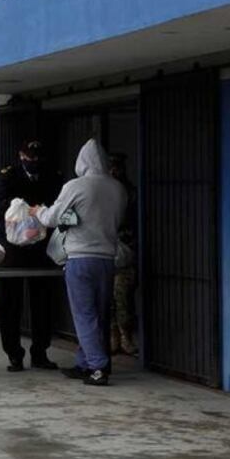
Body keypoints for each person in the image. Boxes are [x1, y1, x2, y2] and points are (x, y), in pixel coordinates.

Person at [35, 138, 127, 386]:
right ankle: (85, 362)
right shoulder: (117, 188)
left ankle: (97, 367)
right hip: (107, 259)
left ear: (81, 162)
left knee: (84, 315)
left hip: (80, 259)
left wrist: (38, 212)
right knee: (100, 312)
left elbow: (53, 218)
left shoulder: (76, 186)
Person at [0, 140, 64, 372]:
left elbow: (58, 207)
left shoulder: (52, 175)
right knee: (10, 303)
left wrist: (38, 214)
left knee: (43, 304)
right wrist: (18, 211)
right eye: (29, 158)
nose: (33, 163)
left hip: (42, 249)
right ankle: (14, 354)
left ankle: (40, 352)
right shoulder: (9, 176)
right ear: (21, 155)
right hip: (13, 250)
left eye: (37, 159)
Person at [109, 152, 138, 356]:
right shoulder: (102, 191)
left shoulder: (129, 192)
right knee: (107, 299)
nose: (114, 172)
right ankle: (114, 337)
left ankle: (125, 336)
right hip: (105, 250)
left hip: (125, 252)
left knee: (123, 298)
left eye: (117, 167)